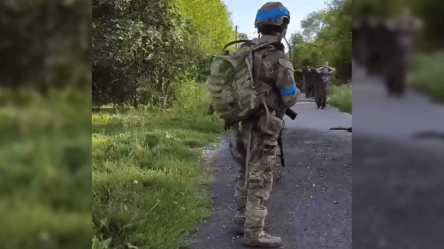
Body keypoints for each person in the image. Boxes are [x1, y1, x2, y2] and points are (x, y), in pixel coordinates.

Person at [230, 2, 300, 247]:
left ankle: (242, 220)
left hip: (237, 124)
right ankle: (254, 233)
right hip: (263, 127)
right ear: (282, 25)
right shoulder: (279, 59)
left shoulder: (240, 53)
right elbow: (290, 95)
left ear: (259, 26)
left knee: (244, 173)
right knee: (261, 178)